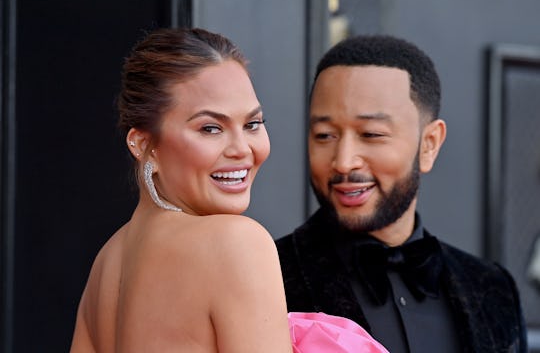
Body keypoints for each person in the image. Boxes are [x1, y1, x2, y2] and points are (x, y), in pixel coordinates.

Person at [69, 28, 388, 353]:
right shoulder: (235, 243)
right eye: (211, 128)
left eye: (252, 124)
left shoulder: (107, 263)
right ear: (144, 144)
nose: (242, 149)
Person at [276, 35, 528, 352]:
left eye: (371, 134)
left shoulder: (494, 289)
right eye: (324, 135)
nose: (343, 161)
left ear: (429, 144)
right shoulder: (269, 278)